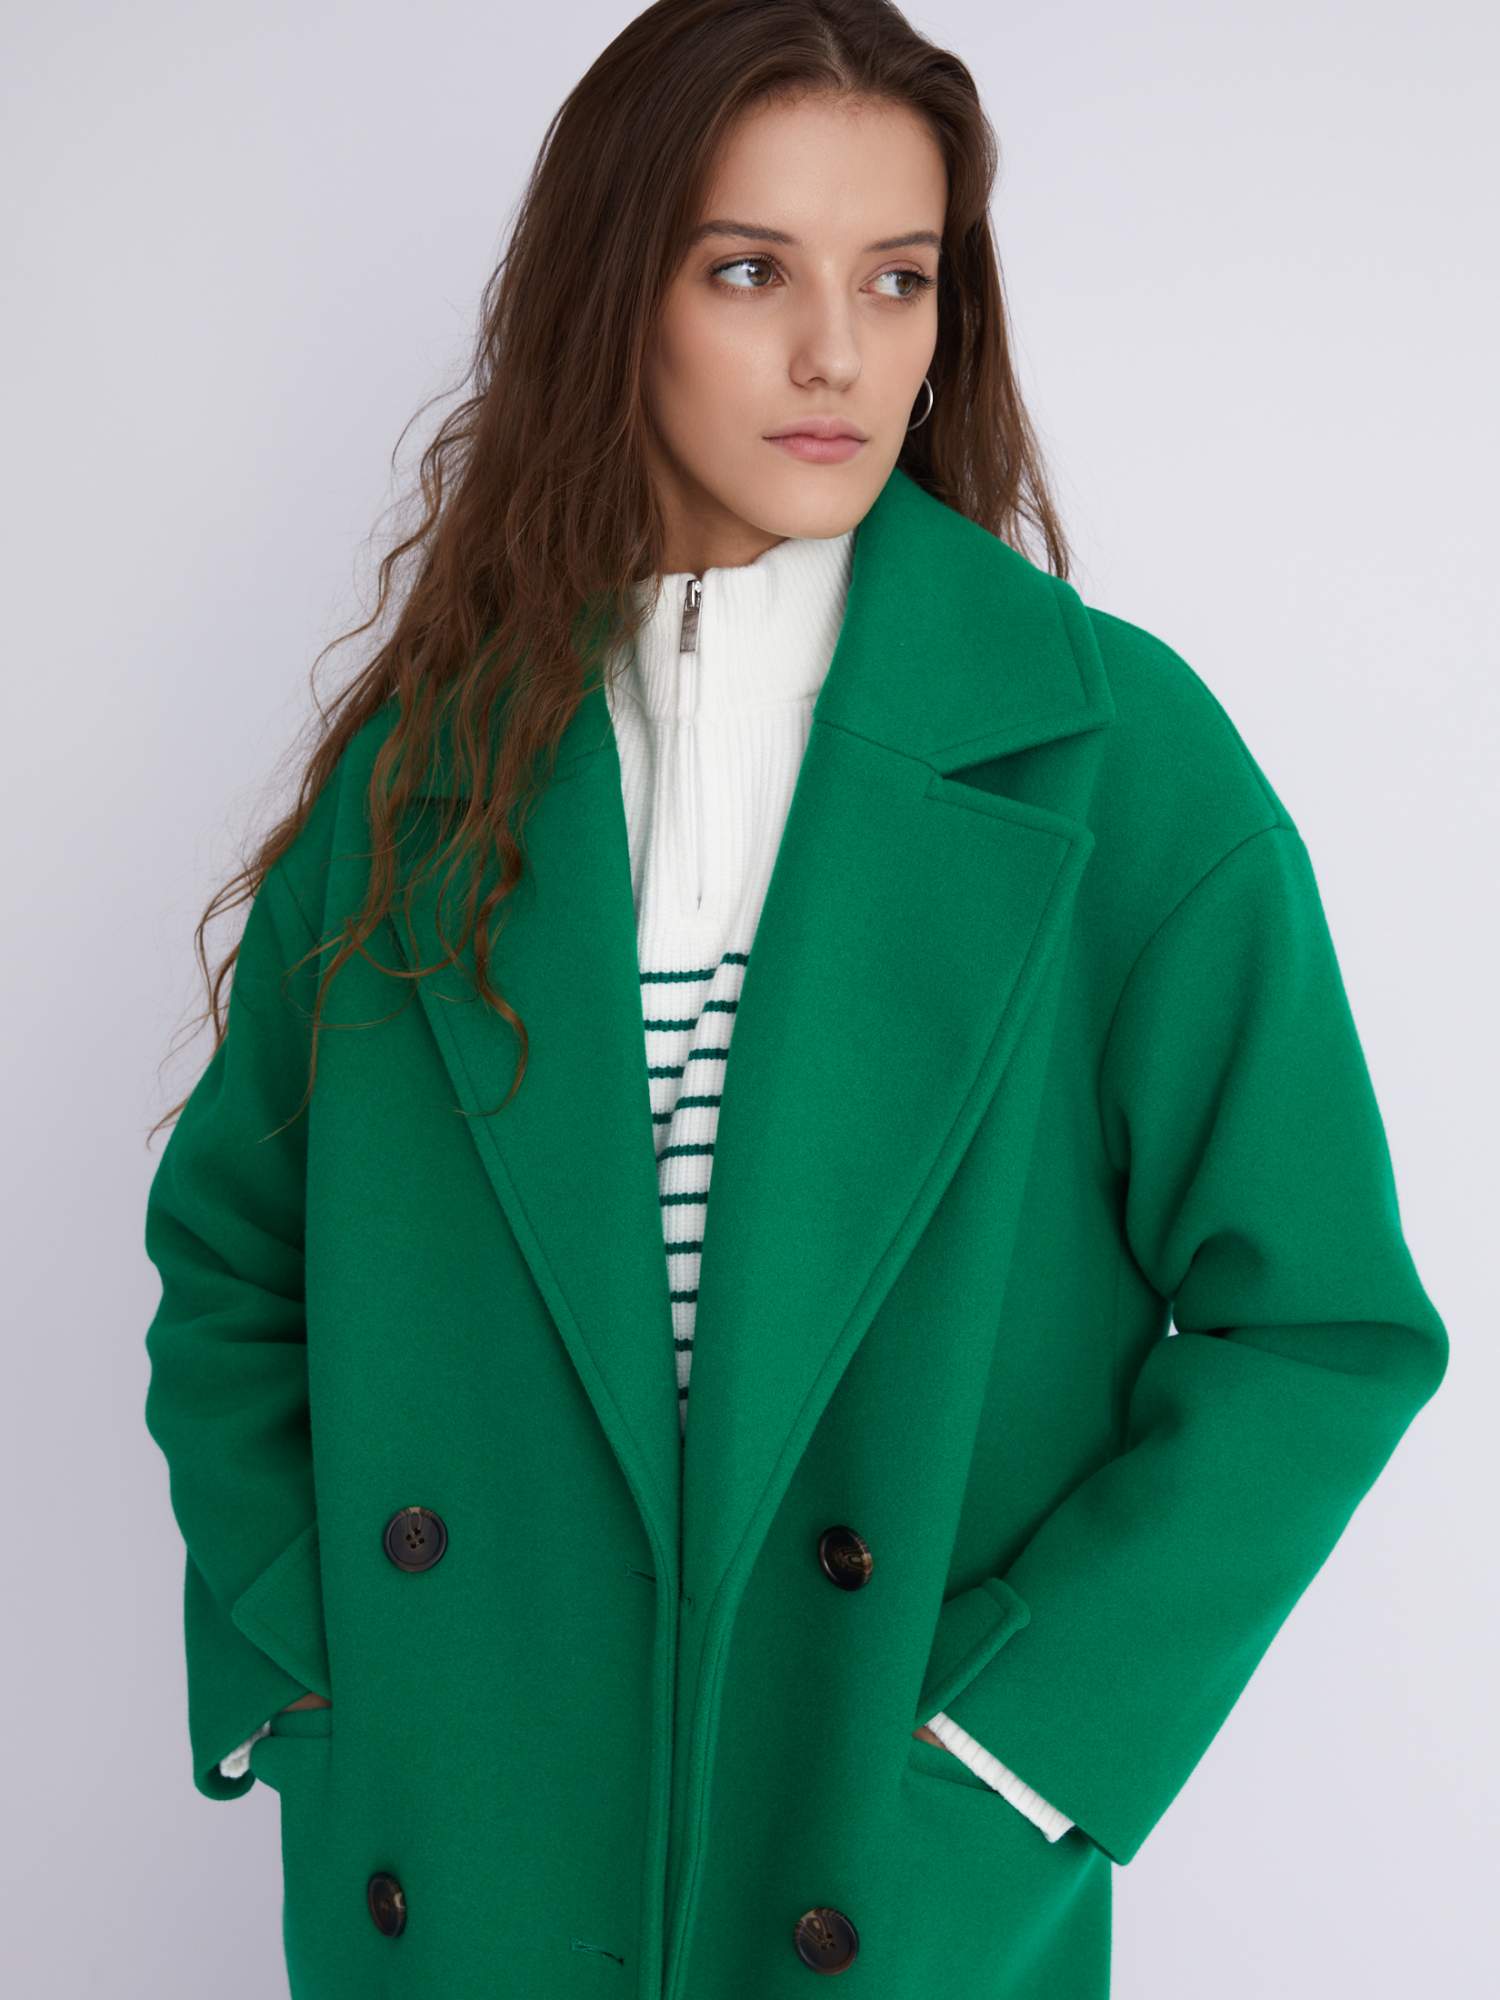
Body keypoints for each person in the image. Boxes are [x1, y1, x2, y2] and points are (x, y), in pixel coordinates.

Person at [141, 3, 1449, 1995]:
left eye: (897, 278)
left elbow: (1322, 1321)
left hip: (885, 1862)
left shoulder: (1116, 762)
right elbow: (237, 1255)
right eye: (751, 271)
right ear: (617, 298)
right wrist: (307, 1676)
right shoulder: (435, 776)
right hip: (475, 1846)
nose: (839, 352)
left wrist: (1023, 1750)